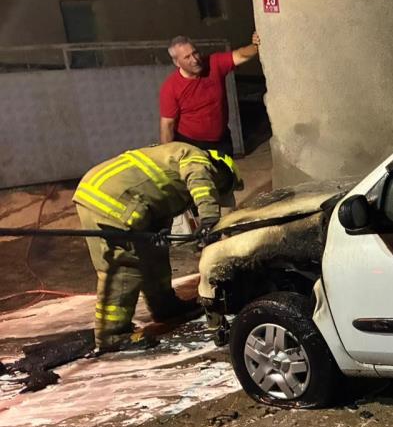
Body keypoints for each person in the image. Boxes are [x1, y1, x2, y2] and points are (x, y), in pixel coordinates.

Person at [73, 143, 242, 353]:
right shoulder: (197, 158)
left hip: (118, 198)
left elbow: (158, 200)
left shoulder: (173, 166)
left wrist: (161, 233)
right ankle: (112, 335)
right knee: (124, 266)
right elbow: (199, 180)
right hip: (110, 201)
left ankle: (165, 307)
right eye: (221, 189)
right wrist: (209, 219)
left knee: (156, 255)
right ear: (222, 172)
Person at [159, 33, 261, 157]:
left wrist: (256, 45)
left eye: (195, 53)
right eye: (187, 57)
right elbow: (167, 124)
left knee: (226, 175)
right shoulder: (171, 87)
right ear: (177, 62)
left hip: (221, 142)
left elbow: (241, 55)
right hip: (191, 146)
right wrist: (167, 156)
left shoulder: (214, 63)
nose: (195, 60)